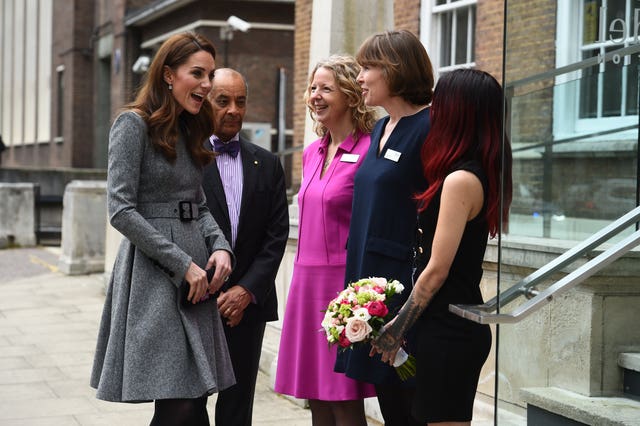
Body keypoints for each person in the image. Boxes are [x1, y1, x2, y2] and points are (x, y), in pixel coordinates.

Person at [90, 32, 235, 425]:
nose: (207, 84)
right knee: (180, 402)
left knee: (193, 397)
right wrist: (182, 263)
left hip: (196, 276)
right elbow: (120, 210)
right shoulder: (132, 125)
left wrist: (221, 247)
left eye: (210, 75)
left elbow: (199, 204)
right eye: (197, 73)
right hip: (155, 277)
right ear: (168, 75)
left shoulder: (192, 129)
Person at [370, 69, 513, 425]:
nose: (434, 111)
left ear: (456, 112)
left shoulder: (461, 180)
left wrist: (397, 327)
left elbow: (437, 269)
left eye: (440, 103)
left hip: (450, 332)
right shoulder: (472, 172)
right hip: (449, 327)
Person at [333, 30, 434, 426]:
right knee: (389, 401)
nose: (360, 77)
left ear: (394, 70)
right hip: (366, 277)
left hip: (400, 287)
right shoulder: (379, 128)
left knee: (409, 403)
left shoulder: (429, 128)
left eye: (368, 67)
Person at [274, 55, 377, 425]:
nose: (315, 96)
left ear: (350, 95)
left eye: (326, 89)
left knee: (343, 397)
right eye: (313, 88)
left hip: (341, 286)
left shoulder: (369, 151)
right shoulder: (310, 152)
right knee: (315, 396)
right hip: (305, 283)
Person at [202, 68, 289, 426]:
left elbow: (276, 235)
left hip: (248, 306)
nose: (233, 110)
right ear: (205, 102)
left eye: (240, 101)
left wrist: (245, 291)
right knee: (187, 405)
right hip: (196, 301)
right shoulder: (185, 159)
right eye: (223, 101)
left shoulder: (267, 164)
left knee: (238, 408)